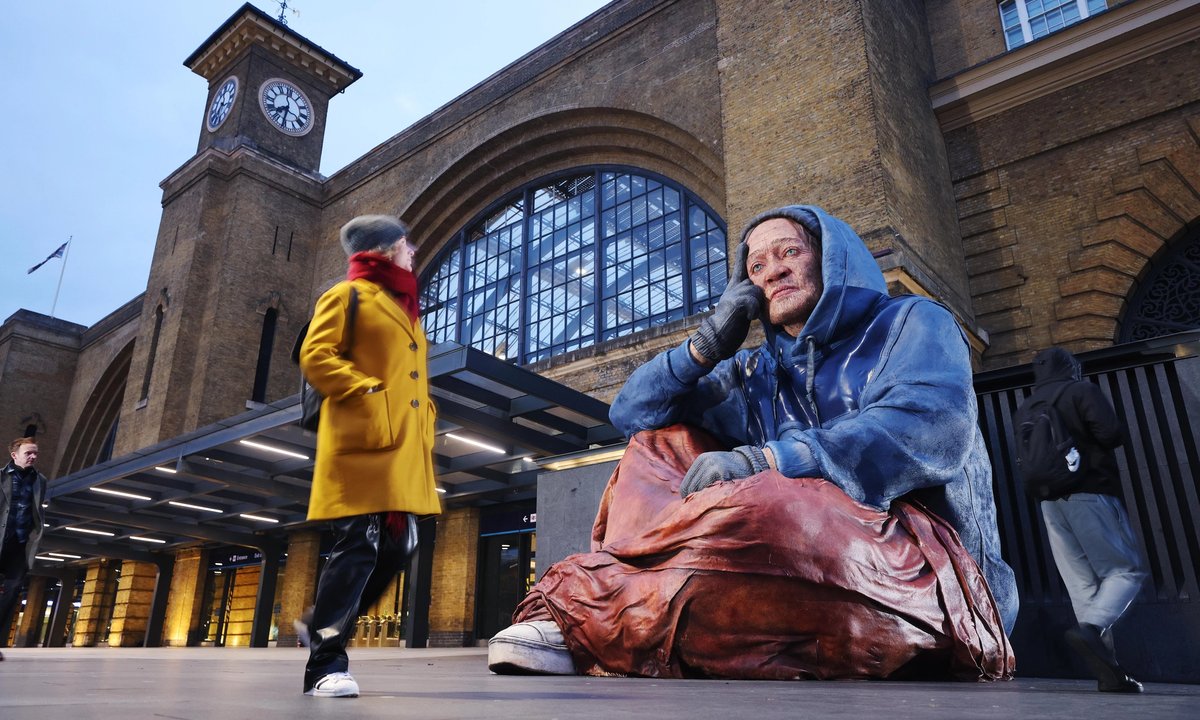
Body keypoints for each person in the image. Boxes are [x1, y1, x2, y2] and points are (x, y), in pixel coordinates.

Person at [488, 205, 1016, 680]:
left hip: (931, 565)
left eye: (789, 252)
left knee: (778, 504)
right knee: (657, 446)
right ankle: (643, 589)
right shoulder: (753, 370)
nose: (774, 271)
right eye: (756, 266)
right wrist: (706, 344)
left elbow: (926, 430)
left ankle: (585, 613)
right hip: (780, 551)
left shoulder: (912, 321)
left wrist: (766, 460)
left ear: (832, 259)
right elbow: (632, 414)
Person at [296, 215, 441, 697]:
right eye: (407, 244)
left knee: (401, 546)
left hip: (400, 448)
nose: (414, 251)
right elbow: (316, 356)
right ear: (386, 250)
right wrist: (366, 390)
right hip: (362, 440)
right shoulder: (346, 296)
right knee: (357, 545)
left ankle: (321, 624)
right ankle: (325, 665)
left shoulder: (404, 306)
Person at [1016, 347, 1146, 693]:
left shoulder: (1027, 406)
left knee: (1083, 586)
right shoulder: (1081, 391)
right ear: (1070, 366)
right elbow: (1111, 434)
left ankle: (1110, 674)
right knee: (1125, 570)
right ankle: (1092, 628)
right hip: (1091, 492)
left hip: (1049, 504)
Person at [1, 437, 48, 660]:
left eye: (35, 453)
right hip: (1, 540)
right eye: (29, 453)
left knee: (12, 592)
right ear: (14, 455)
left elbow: (37, 511)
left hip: (20, 545)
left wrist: (35, 536)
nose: (33, 457)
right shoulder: (1, 476)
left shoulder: (40, 480)